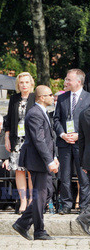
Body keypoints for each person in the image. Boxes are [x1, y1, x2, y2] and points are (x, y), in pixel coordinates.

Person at [12, 85, 58, 241]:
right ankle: (39, 231)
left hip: (44, 160)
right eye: (50, 95)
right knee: (40, 195)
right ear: (41, 97)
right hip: (37, 160)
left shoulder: (42, 112)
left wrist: (54, 157)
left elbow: (49, 138)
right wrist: (49, 160)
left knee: (48, 193)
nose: (53, 97)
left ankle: (23, 223)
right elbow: (39, 140)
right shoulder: (34, 114)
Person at [53, 69, 90, 214]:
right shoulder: (62, 98)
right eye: (66, 79)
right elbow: (56, 119)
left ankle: (85, 206)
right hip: (64, 143)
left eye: (69, 79)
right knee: (65, 175)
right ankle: (66, 204)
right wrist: (62, 134)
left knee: (83, 176)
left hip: (81, 144)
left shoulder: (88, 98)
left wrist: (79, 135)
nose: (65, 82)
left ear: (78, 82)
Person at [4, 72, 36, 214]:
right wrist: (7, 136)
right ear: (18, 84)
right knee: (19, 170)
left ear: (31, 84)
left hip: (31, 139)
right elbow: (9, 119)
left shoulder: (35, 98)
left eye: (26, 82)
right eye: (21, 82)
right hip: (17, 140)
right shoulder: (14, 98)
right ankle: (23, 201)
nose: (24, 85)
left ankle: (31, 200)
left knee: (30, 169)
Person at [76, 104, 90, 234]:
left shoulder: (83, 113)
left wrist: (82, 162)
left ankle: (85, 217)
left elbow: (81, 139)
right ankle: (85, 217)